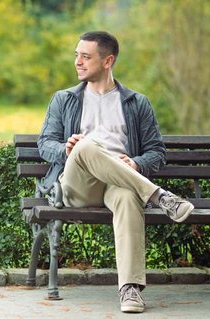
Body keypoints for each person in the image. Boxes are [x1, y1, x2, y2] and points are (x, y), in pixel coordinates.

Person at [37, 31, 194, 314]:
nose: (78, 62)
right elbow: (44, 143)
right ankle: (159, 196)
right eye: (77, 55)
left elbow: (156, 152)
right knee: (84, 145)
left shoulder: (136, 103)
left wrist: (135, 164)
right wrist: (66, 150)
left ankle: (130, 290)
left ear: (108, 60)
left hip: (117, 182)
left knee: (127, 196)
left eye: (86, 56)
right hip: (78, 185)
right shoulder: (64, 100)